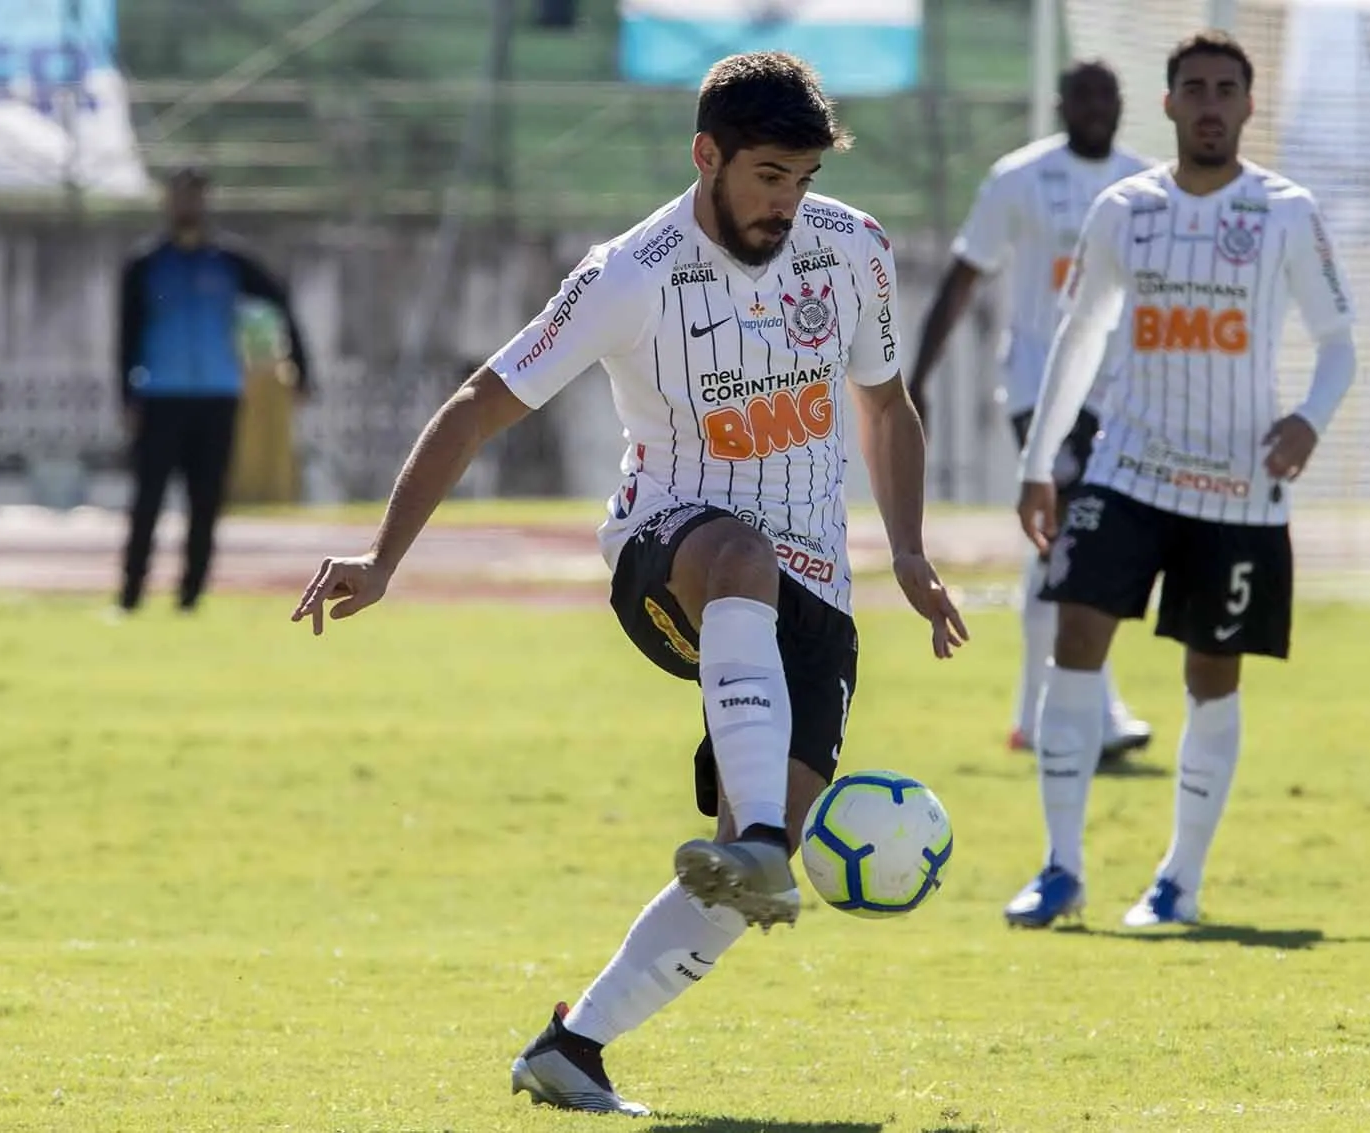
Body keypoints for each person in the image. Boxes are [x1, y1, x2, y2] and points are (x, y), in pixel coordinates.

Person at [288, 52, 967, 1116]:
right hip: (671, 551)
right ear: (707, 156)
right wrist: (383, 558)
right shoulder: (632, 273)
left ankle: (573, 1047)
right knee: (737, 556)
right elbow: (477, 403)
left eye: (801, 180)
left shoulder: (853, 252)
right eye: (766, 178)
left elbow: (884, 407)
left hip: (817, 586)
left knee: (760, 874)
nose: (786, 204)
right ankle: (747, 838)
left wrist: (912, 552)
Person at [1006, 30, 1359, 929]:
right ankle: (1059, 868)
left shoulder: (1285, 212)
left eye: (1225, 89)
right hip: (1128, 468)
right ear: (1167, 104)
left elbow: (1337, 345)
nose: (1209, 103)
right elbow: (1078, 338)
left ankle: (1179, 881)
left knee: (1213, 677)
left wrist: (1309, 421)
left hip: (1238, 491)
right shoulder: (1124, 209)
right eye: (1193, 88)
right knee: (1074, 640)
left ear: (1248, 105)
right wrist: (1039, 463)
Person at [908, 61, 1153, 766]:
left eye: (1107, 96)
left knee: (1065, 546)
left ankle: (1035, 714)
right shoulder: (1018, 177)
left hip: (1119, 391)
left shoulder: (1145, 184)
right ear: (1062, 104)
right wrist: (917, 378)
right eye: (1082, 95)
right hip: (1038, 388)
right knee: (1076, 533)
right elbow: (963, 275)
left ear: (1121, 104)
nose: (1095, 108)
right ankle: (1095, 710)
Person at [117, 166, 311, 613]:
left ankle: (190, 595)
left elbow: (281, 304)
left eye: (196, 197)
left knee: (206, 498)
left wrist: (301, 366)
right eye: (181, 196)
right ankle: (130, 594)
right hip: (160, 394)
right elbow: (125, 337)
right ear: (168, 202)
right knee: (148, 498)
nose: (188, 206)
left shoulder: (231, 262)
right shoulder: (146, 265)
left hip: (217, 395)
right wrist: (126, 397)